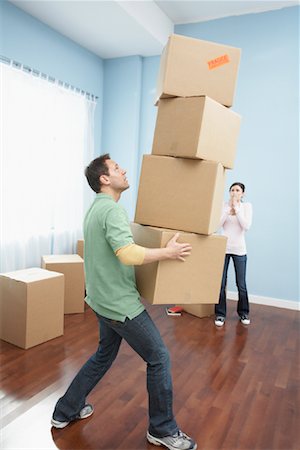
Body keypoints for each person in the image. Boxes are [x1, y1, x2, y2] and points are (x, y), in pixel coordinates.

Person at [51, 154, 197, 450]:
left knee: (104, 355)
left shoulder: (96, 209)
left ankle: (64, 411)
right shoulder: (112, 211)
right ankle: (162, 428)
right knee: (159, 357)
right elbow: (127, 254)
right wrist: (168, 254)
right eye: (117, 168)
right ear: (104, 179)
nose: (124, 170)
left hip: (100, 300)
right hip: (119, 305)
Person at [214, 182, 253, 327]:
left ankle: (244, 312)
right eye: (232, 190)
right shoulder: (223, 205)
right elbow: (217, 225)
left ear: (243, 193)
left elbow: (246, 226)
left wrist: (236, 209)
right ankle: (220, 314)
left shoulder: (246, 206)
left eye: (237, 190)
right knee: (221, 283)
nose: (234, 192)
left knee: (241, 284)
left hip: (239, 250)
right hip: (224, 248)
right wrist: (227, 210)